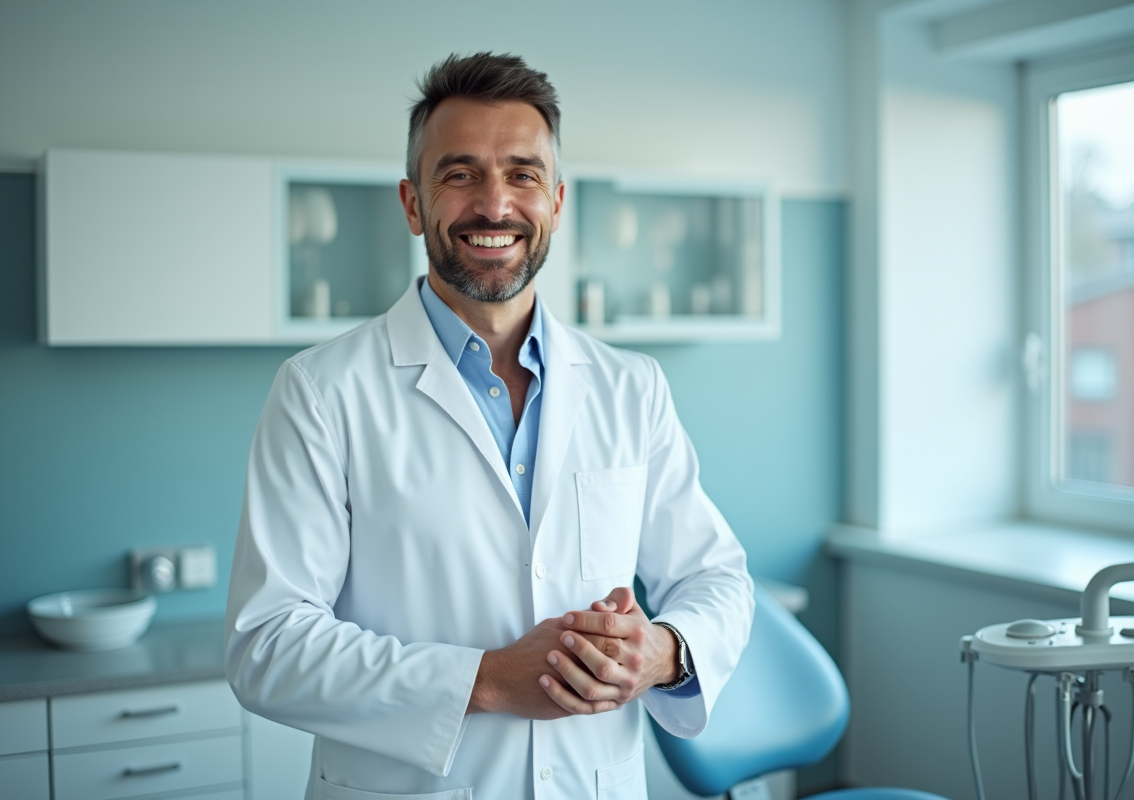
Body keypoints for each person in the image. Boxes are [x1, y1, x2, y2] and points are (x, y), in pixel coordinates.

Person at [225, 52, 754, 800]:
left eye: (523, 174)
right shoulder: (320, 392)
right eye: (460, 173)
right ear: (414, 205)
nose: (495, 205)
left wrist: (662, 652)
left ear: (558, 202)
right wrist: (488, 680)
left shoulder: (631, 387)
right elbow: (266, 645)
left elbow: (716, 578)